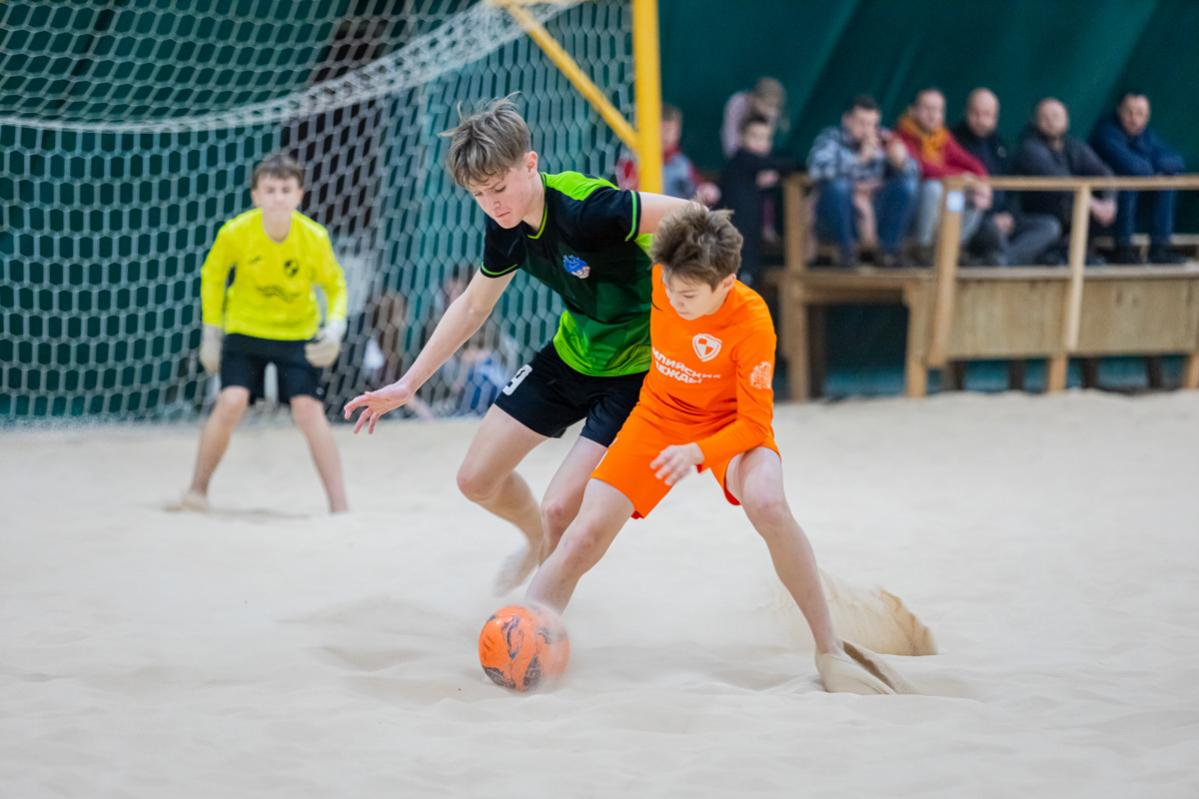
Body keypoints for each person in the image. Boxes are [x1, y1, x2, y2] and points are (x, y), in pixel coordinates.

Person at [522, 204, 914, 694]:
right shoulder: (663, 274)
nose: (674, 299)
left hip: (728, 423)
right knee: (584, 533)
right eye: (670, 288)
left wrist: (699, 452)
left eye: (688, 295)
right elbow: (608, 226)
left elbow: (755, 423)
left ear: (726, 283)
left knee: (768, 503)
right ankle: (526, 634)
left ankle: (829, 648)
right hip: (658, 416)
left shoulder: (752, 321)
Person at [343, 96, 690, 592]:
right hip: (571, 356)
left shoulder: (588, 208)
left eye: (499, 188)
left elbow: (695, 215)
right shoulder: (504, 224)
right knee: (475, 480)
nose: (493, 204)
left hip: (636, 374)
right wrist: (407, 383)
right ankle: (535, 544)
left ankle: (538, 616)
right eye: (479, 194)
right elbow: (472, 306)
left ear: (530, 163)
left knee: (560, 508)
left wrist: (692, 298)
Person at [175, 154, 349, 513]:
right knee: (231, 401)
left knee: (308, 410)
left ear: (299, 195)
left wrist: (334, 329)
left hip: (297, 332)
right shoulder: (235, 232)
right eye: (270, 190)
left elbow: (336, 288)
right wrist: (211, 333)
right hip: (246, 330)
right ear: (255, 195)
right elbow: (212, 277)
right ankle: (197, 491)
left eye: (286, 189)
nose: (278, 197)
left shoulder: (314, 237)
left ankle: (340, 506)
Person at [806, 94, 919, 267]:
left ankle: (889, 252)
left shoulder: (884, 138)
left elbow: (915, 171)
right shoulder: (830, 138)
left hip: (874, 211)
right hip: (839, 214)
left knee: (907, 185)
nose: (867, 130)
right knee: (838, 187)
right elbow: (816, 169)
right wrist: (859, 160)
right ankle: (846, 252)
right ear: (847, 120)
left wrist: (900, 163)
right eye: (861, 123)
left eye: (872, 124)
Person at [952, 88, 1061, 265]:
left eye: (987, 114)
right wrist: (992, 218)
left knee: (1049, 226)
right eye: (975, 113)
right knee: (990, 229)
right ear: (966, 112)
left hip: (1006, 217)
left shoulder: (999, 146)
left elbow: (1012, 187)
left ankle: (1002, 261)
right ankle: (1005, 261)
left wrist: (1010, 215)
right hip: (976, 219)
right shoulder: (954, 142)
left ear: (995, 117)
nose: (981, 120)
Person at [1013, 98, 1116, 263]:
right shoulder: (1029, 147)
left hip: (1071, 212)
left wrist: (1109, 201)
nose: (1051, 122)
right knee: (1067, 204)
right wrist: (1092, 203)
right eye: (1044, 117)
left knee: (1107, 200)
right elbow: (1057, 179)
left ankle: (1081, 253)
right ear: (1035, 121)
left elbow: (1104, 173)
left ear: (1066, 120)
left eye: (1056, 116)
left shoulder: (1073, 146)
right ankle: (1054, 254)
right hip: (1038, 213)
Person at [1089, 92, 1187, 264]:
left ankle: (1159, 249)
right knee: (1129, 183)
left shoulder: (1145, 135)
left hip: (1140, 197)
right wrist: (1155, 167)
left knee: (1167, 183)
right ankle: (1122, 248)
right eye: (1129, 112)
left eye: (1140, 113)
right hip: (1103, 199)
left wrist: (1155, 169)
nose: (1134, 119)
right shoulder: (1105, 132)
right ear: (1119, 111)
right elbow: (1135, 168)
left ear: (1147, 116)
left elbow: (1177, 161)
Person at [896, 88, 991, 257]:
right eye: (927, 109)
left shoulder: (942, 136)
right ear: (912, 110)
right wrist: (960, 176)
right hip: (911, 211)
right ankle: (922, 248)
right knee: (933, 187)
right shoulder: (903, 134)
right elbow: (922, 168)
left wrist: (983, 183)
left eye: (938, 110)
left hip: (941, 206)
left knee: (974, 195)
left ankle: (954, 248)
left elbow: (970, 162)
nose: (933, 115)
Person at [718, 115, 796, 287]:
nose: (761, 143)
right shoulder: (741, 160)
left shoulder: (759, 172)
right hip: (736, 241)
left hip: (752, 241)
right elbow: (787, 164)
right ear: (742, 137)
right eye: (755, 136)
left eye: (766, 138)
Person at [616, 104, 720, 204]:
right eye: (662, 130)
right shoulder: (631, 160)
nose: (667, 137)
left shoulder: (681, 162)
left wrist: (705, 190)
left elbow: (695, 188)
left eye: (672, 131)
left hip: (677, 214)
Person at [721, 77, 787, 158]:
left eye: (774, 106)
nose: (770, 110)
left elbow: (766, 139)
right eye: (767, 105)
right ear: (754, 98)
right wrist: (736, 157)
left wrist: (761, 158)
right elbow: (730, 132)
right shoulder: (737, 103)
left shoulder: (771, 113)